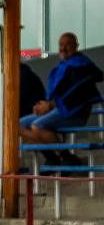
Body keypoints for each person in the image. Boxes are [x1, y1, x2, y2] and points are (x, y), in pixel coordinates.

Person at [20, 32, 103, 166]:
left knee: (37, 126)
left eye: (68, 44)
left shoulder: (81, 66)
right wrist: (45, 105)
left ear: (76, 46)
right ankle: (54, 158)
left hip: (75, 114)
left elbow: (74, 95)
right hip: (58, 110)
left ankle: (67, 158)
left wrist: (49, 106)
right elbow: (58, 95)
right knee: (18, 125)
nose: (63, 48)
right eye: (61, 45)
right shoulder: (63, 66)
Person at [0, 62, 45, 143]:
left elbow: (19, 97)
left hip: (32, 110)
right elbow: (2, 96)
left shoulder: (24, 74)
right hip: (21, 109)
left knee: (13, 124)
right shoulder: (6, 75)